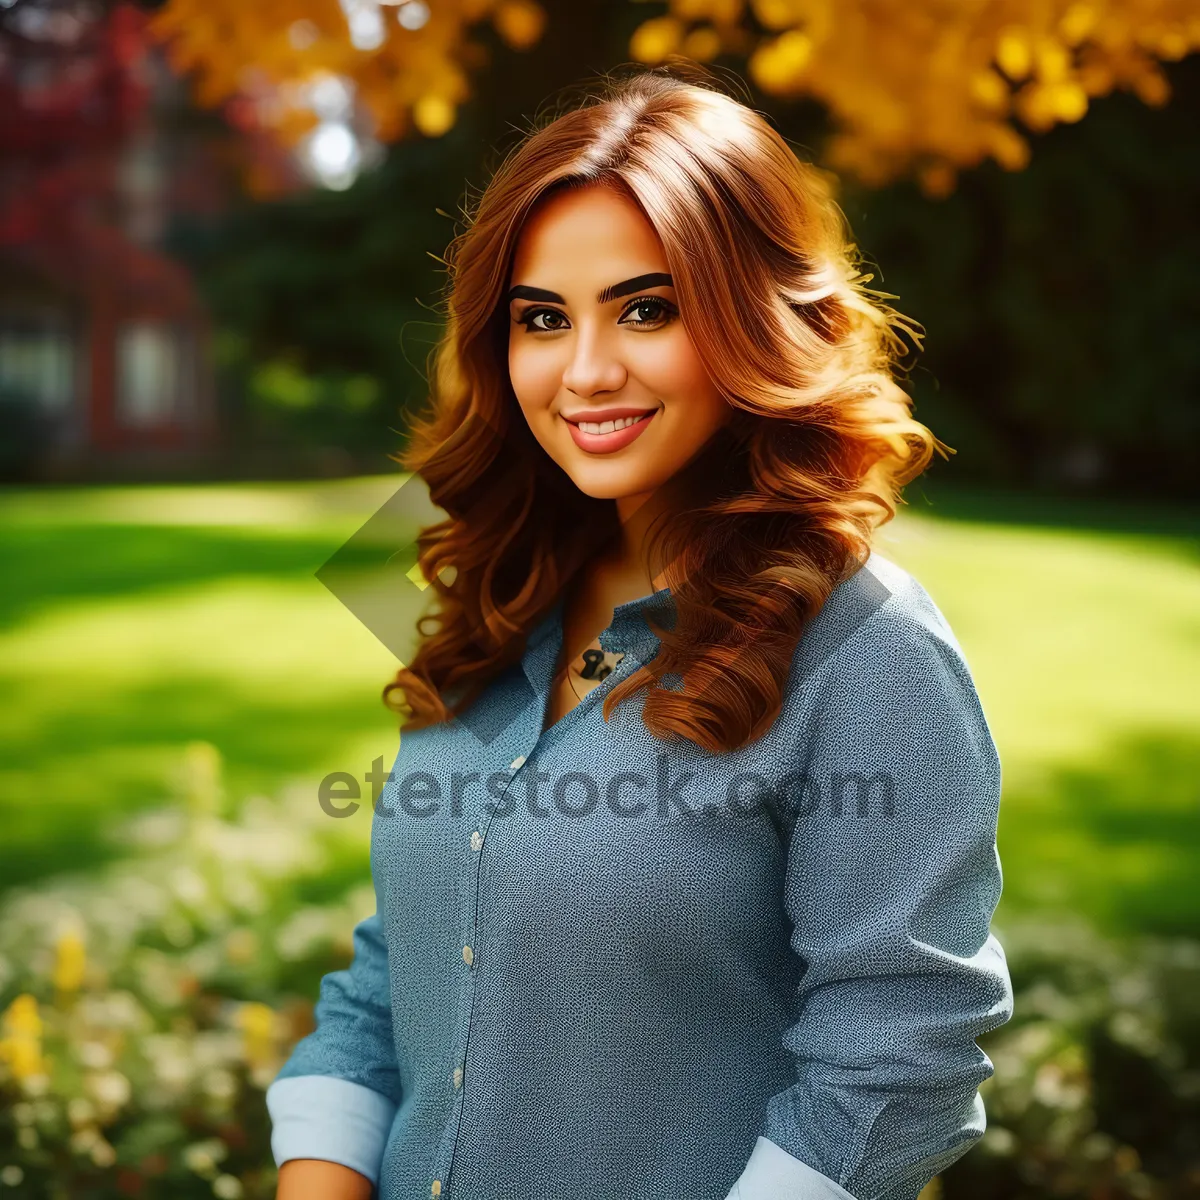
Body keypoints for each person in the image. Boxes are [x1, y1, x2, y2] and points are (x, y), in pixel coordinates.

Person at [267, 65, 1013, 1200]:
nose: (585, 372)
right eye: (542, 320)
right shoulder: (491, 588)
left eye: (647, 308)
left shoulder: (869, 648)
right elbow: (405, 958)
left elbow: (901, 1054)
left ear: (753, 316)